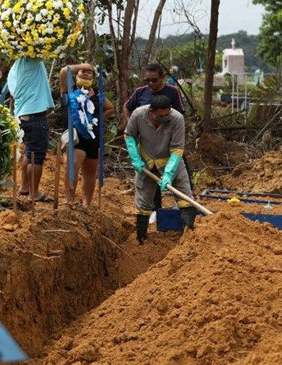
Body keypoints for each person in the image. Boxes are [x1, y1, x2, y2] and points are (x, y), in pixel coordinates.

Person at [124, 95, 196, 245]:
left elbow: (177, 150)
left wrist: (168, 174)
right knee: (143, 202)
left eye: (167, 114)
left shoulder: (177, 119)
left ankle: (188, 239)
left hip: (171, 162)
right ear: (151, 112)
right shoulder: (138, 114)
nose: (164, 118)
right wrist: (135, 158)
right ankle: (141, 239)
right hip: (145, 163)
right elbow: (129, 136)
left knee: (185, 197)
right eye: (160, 116)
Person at [120, 61, 189, 212]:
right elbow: (127, 107)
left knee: (181, 179)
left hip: (168, 144)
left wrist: (169, 172)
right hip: (148, 147)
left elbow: (178, 121)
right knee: (149, 187)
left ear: (162, 77)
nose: (150, 83)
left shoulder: (172, 92)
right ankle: (154, 211)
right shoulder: (141, 93)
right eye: (147, 80)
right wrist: (131, 123)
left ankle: (185, 211)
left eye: (154, 80)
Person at [58, 63, 114, 207]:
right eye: (82, 72)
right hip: (76, 135)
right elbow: (64, 71)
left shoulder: (97, 94)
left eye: (89, 73)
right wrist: (83, 66)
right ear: (76, 75)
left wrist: (96, 119)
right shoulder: (69, 90)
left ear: (93, 78)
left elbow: (110, 108)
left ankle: (86, 204)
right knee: (73, 164)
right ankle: (69, 200)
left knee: (90, 170)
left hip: (94, 136)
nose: (85, 74)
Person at [7, 58, 54, 203]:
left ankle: (25, 186)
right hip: (35, 116)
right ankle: (34, 193)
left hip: (23, 115)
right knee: (37, 156)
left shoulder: (15, 67)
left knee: (30, 151)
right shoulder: (32, 61)